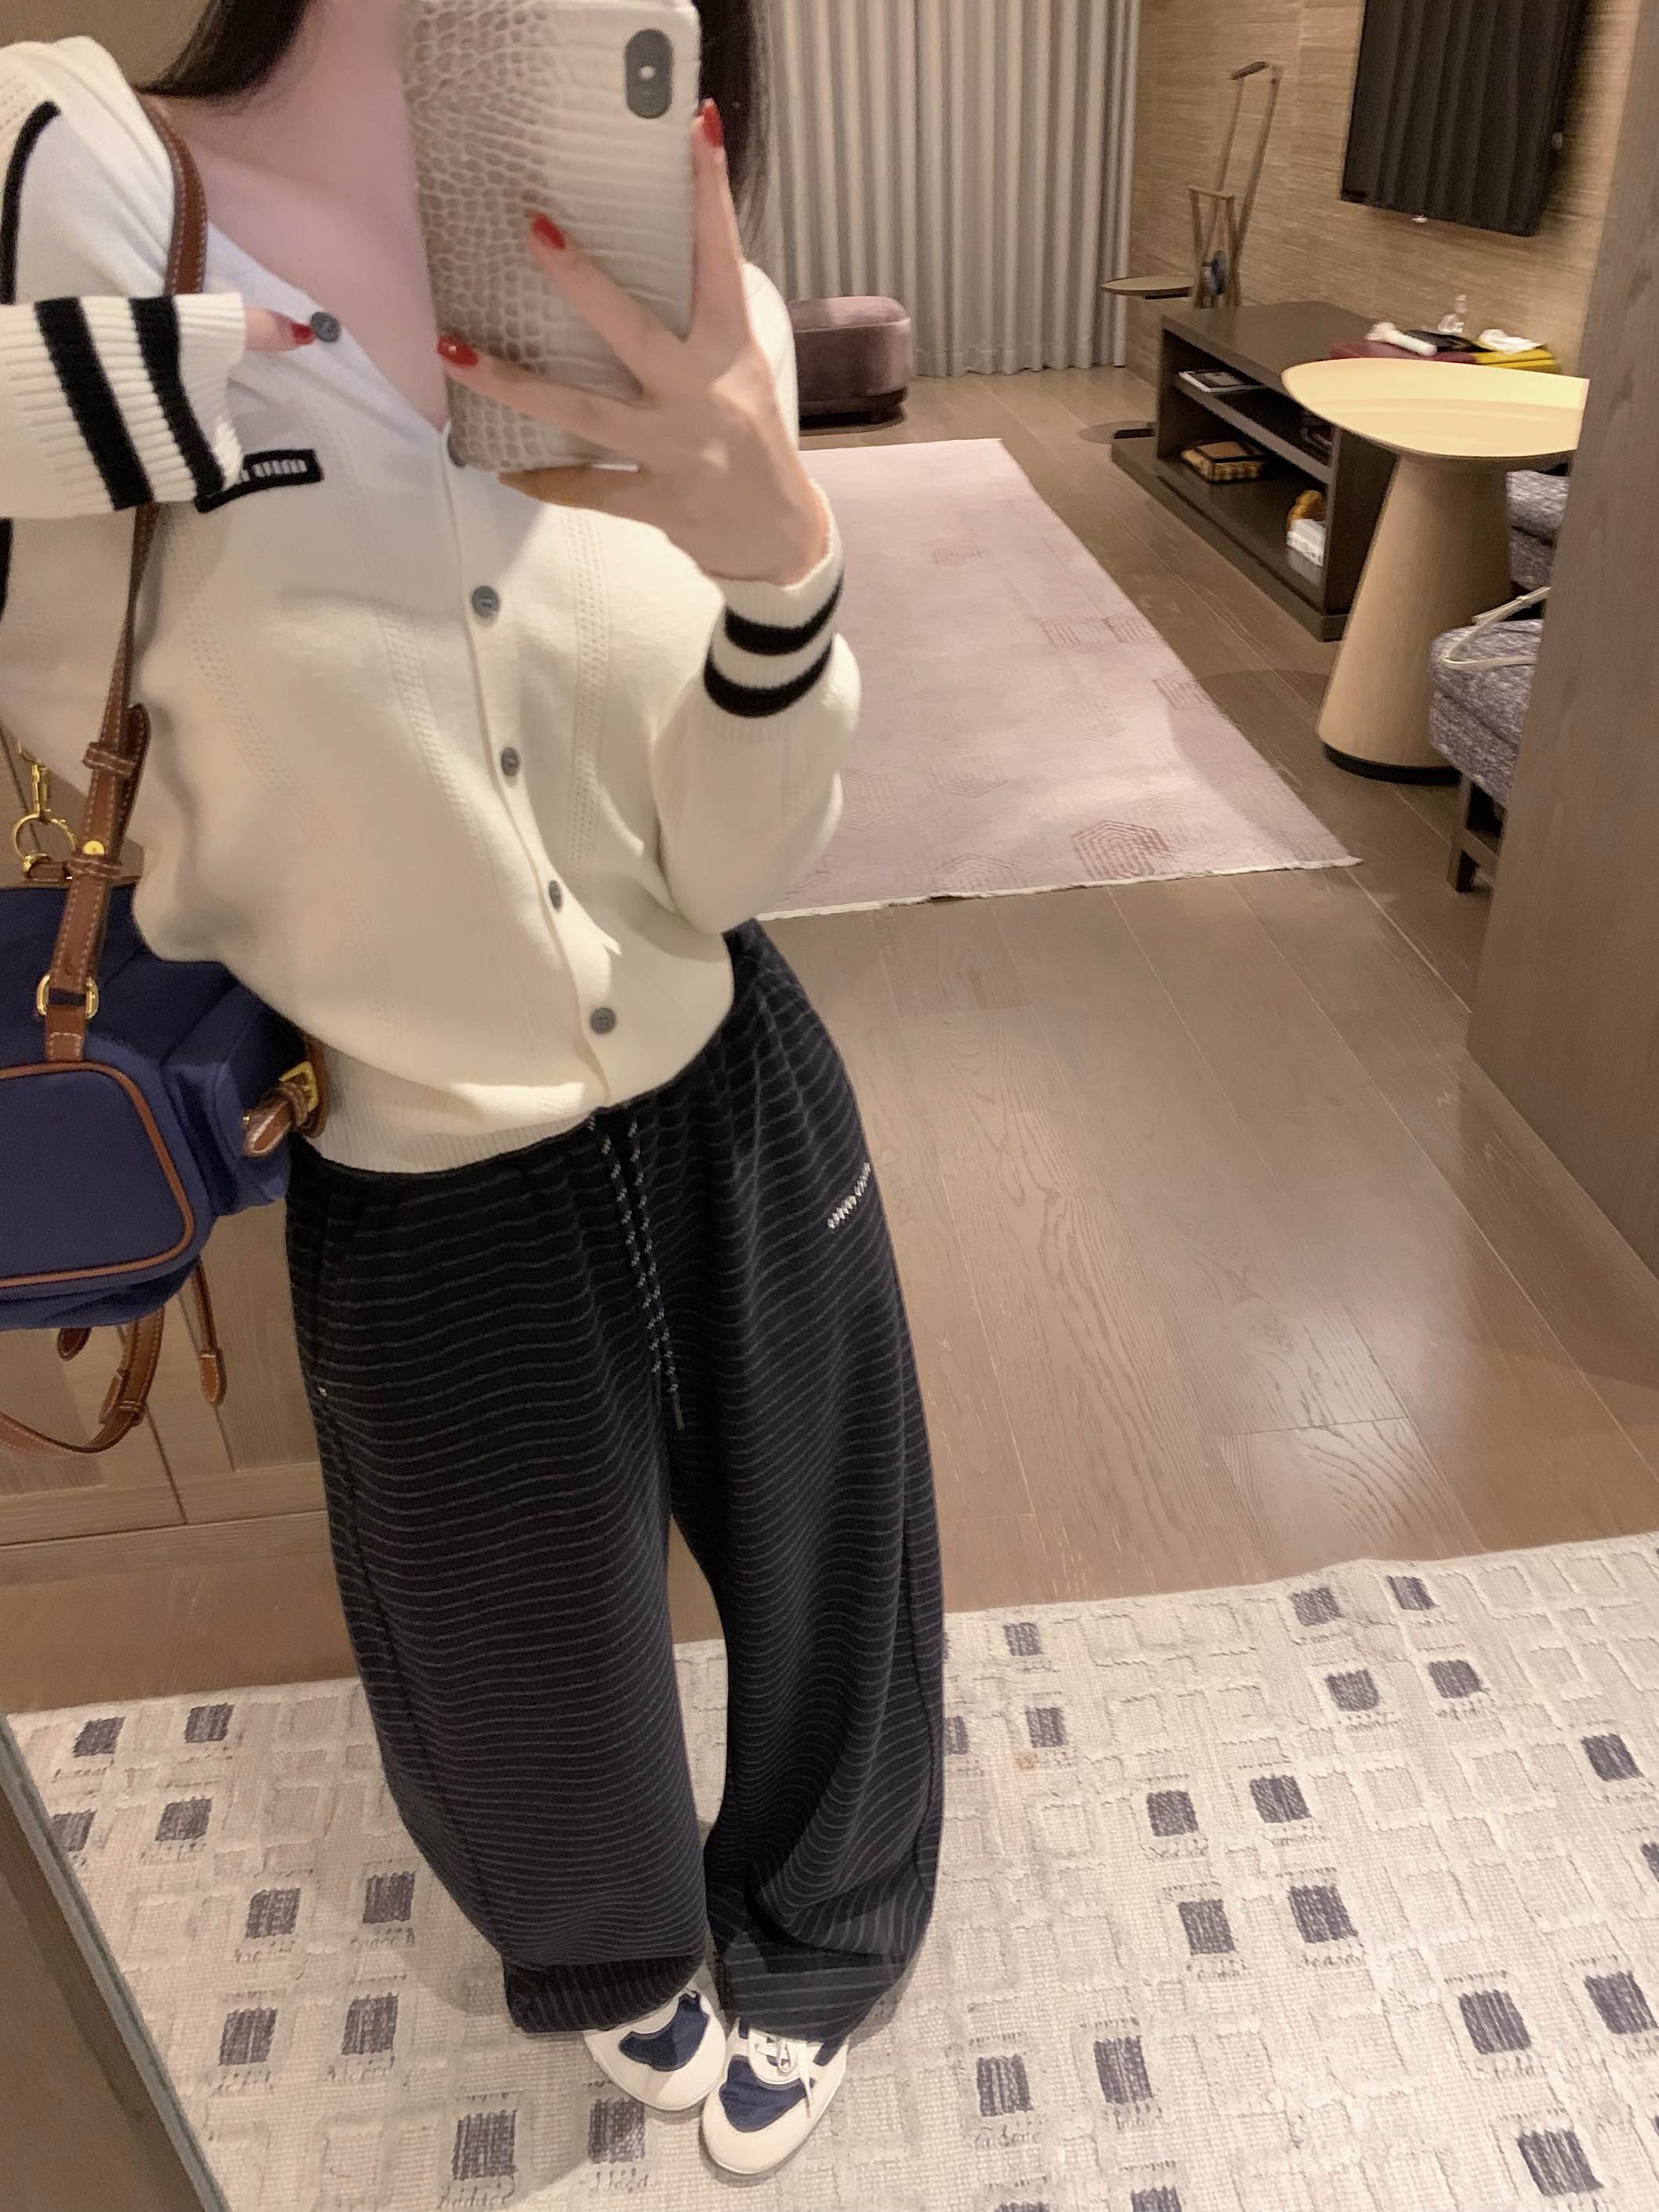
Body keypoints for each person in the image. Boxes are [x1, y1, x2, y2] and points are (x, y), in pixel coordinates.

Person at [0, 2, 943, 2178]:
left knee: (838, 1558)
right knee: (506, 1647)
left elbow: (732, 854)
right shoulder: (82, 173)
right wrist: (123, 399)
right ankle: (622, 1959)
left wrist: (784, 572)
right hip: (414, 1146)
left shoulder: (692, 297)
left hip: (733, 1079)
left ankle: (829, 1926)